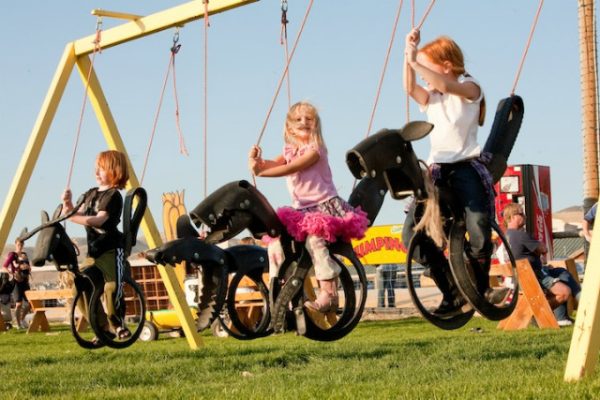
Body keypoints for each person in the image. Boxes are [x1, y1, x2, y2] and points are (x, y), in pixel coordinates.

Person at [402, 29, 503, 316]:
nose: (423, 76)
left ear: (446, 65)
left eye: (427, 67)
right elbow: (410, 88)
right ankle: (453, 290)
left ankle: (479, 287)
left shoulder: (470, 88)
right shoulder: (433, 97)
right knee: (412, 237)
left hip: (465, 167)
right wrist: (407, 56)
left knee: (478, 224)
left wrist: (414, 61)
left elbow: (446, 86)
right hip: (437, 171)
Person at [248, 101, 369, 313]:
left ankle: (329, 293)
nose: (304, 122)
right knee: (276, 243)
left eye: (309, 118)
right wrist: (257, 162)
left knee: (315, 241)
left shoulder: (315, 150)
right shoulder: (289, 150)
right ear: (290, 127)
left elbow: (293, 167)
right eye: (298, 119)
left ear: (316, 124)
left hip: (323, 207)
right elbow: (271, 164)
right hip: (301, 212)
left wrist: (261, 173)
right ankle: (278, 290)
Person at [61, 149, 130, 340]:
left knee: (112, 287)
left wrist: (73, 217)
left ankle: (116, 323)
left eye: (101, 169)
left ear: (115, 170)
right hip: (94, 253)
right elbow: (75, 211)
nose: (96, 173)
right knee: (80, 287)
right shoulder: (90, 194)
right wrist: (67, 204)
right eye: (96, 169)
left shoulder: (113, 196)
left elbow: (98, 220)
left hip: (110, 251)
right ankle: (101, 326)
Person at [502, 203, 581, 326]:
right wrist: (539, 245)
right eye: (521, 213)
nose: (525, 216)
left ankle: (563, 316)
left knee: (560, 272)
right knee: (564, 291)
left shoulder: (506, 236)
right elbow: (544, 249)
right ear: (511, 217)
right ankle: (538, 315)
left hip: (520, 277)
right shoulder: (521, 235)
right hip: (532, 277)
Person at [3, 240, 31, 328]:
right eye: (18, 244)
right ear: (16, 244)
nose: (20, 246)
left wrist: (28, 269)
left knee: (30, 303)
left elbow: (28, 266)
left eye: (22, 244)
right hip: (16, 282)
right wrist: (12, 273)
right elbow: (4, 266)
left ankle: (22, 319)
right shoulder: (12, 255)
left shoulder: (24, 255)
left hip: (25, 281)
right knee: (18, 304)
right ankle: (19, 324)